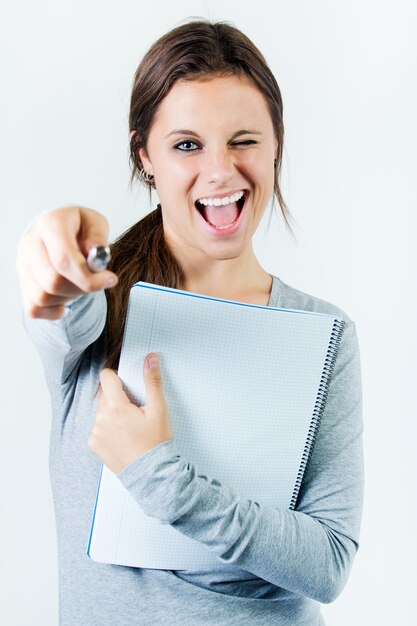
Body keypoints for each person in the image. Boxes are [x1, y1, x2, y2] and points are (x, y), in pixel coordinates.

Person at [16, 19, 364, 626]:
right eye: (186, 145)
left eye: (243, 140)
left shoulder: (323, 335)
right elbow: (58, 293)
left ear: (277, 143)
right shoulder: (98, 312)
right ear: (144, 156)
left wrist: (160, 478)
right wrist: (51, 245)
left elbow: (328, 564)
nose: (221, 170)